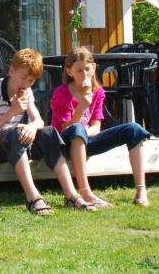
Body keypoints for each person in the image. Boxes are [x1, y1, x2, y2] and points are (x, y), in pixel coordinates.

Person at [0, 47, 96, 215]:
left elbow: (38, 121)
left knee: (49, 132)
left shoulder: (26, 91)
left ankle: (71, 195)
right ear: (11, 71)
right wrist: (11, 114)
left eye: (31, 80)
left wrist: (31, 126)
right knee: (16, 133)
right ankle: (33, 196)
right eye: (23, 78)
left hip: (14, 143)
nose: (26, 84)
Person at [50, 47, 151, 207]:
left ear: (94, 68)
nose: (84, 74)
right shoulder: (62, 93)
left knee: (134, 129)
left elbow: (96, 127)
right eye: (79, 71)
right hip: (65, 144)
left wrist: (84, 133)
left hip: (86, 140)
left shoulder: (98, 92)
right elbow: (64, 129)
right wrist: (81, 109)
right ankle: (85, 192)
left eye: (87, 69)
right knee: (77, 129)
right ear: (69, 72)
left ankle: (141, 191)